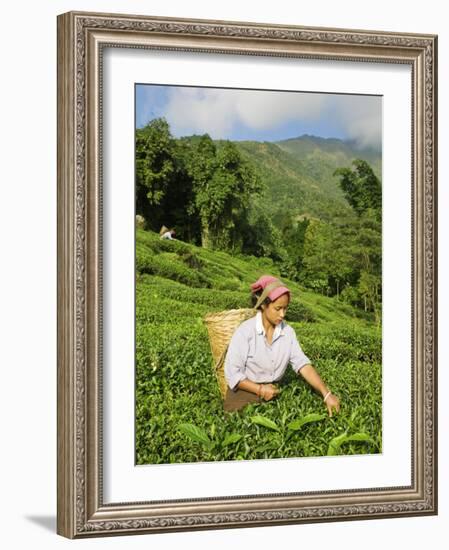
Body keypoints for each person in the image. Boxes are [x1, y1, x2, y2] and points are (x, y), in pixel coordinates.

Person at [223, 275, 341, 415]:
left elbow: (302, 364)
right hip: (245, 390)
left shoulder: (288, 332)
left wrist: (326, 394)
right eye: (278, 308)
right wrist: (260, 389)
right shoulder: (245, 332)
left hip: (273, 390)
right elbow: (233, 374)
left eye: (285, 308)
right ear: (263, 305)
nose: (282, 314)